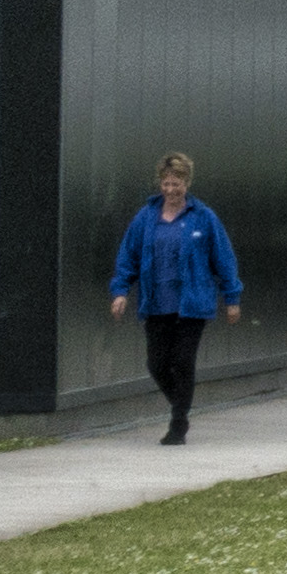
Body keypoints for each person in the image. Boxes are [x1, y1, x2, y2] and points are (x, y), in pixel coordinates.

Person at [105, 152, 244, 445]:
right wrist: (120, 292)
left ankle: (178, 424)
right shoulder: (146, 217)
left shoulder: (204, 218)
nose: (171, 190)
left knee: (182, 361)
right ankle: (181, 404)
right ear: (160, 183)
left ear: (187, 183)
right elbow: (128, 257)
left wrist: (232, 298)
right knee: (156, 364)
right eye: (166, 184)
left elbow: (224, 259)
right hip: (156, 303)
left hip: (192, 304)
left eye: (177, 184)